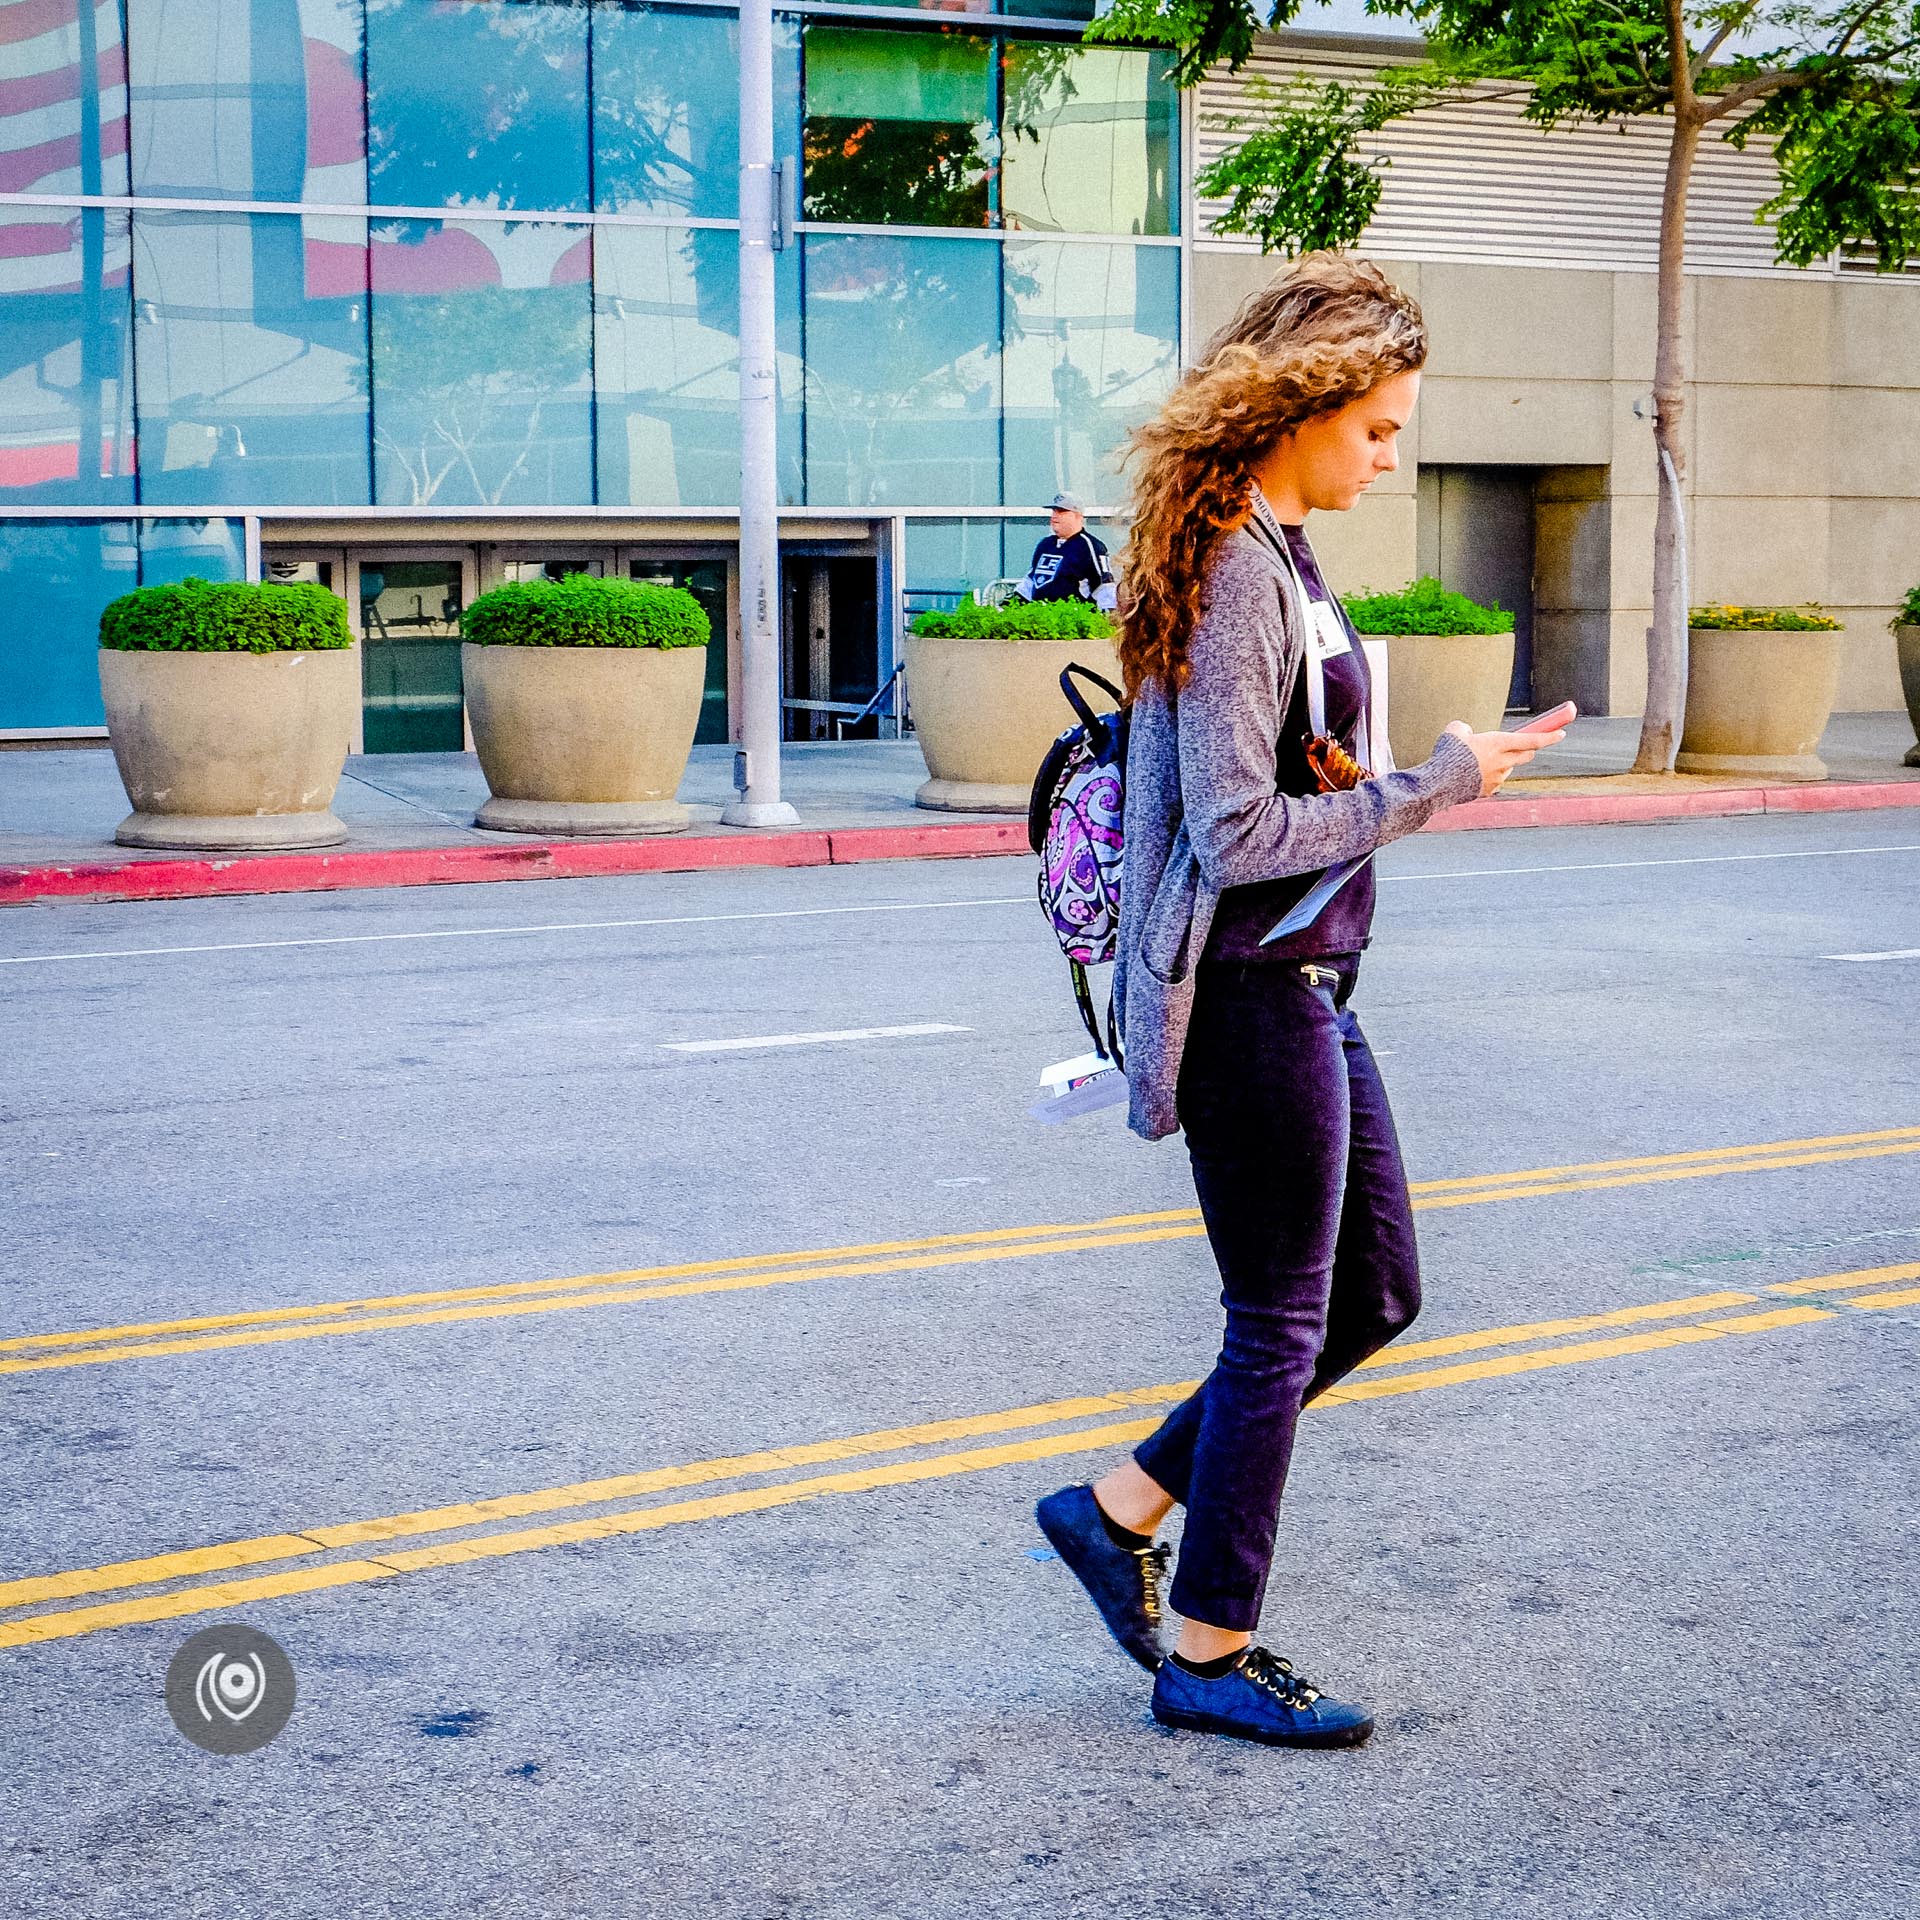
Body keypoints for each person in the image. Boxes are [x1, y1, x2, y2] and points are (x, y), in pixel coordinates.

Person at [1034, 254, 1565, 1750]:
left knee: (1374, 1295)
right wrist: (1431, 788)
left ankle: (1117, 1508)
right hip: (1255, 994)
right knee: (1280, 1319)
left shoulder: (1278, 540)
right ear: (1301, 408)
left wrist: (1414, 773)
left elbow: (1285, 773)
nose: (1391, 457)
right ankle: (1207, 1648)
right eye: (1381, 428)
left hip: (1317, 984)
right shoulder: (1228, 571)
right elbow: (1234, 835)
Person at [1018, 491, 1118, 611]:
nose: (1055, 516)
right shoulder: (1045, 545)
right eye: (1054, 510)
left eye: (1061, 511)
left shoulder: (1091, 546)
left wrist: (1107, 618)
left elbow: (1104, 586)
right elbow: (1030, 583)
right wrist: (1006, 607)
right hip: (1041, 621)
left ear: (1078, 516)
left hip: (1073, 623)